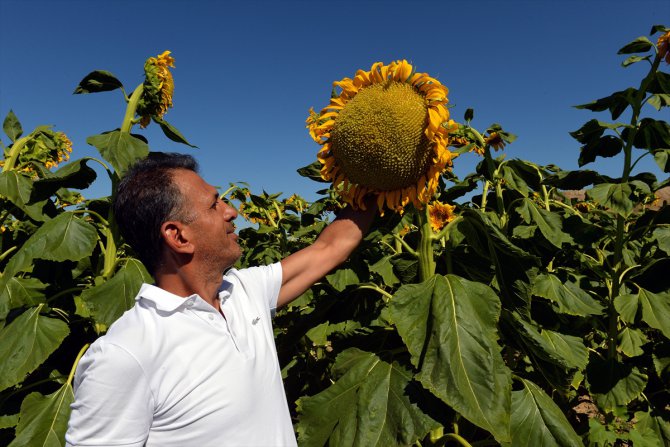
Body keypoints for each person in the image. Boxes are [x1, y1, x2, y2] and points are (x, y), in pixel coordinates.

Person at [65, 152, 377, 446]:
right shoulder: (126, 354)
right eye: (215, 205)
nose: (232, 211)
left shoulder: (244, 291)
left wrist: (383, 178)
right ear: (178, 236)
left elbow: (330, 248)